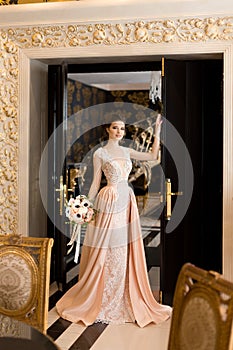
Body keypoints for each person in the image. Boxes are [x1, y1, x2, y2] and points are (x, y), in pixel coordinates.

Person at [56, 114, 172, 327]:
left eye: (122, 128)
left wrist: (156, 130)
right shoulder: (100, 153)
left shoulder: (127, 150)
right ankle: (102, 297)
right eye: (115, 128)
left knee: (123, 249)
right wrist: (86, 206)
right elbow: (94, 182)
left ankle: (122, 297)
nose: (119, 131)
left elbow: (153, 156)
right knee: (107, 248)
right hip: (108, 199)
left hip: (126, 200)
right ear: (107, 129)